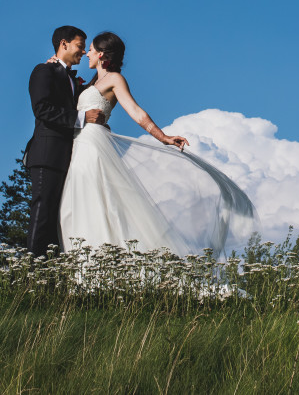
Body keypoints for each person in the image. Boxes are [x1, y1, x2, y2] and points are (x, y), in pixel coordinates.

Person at [59, 31, 255, 257]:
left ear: (101, 54)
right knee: (79, 201)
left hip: (92, 146)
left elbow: (135, 110)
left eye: (91, 49)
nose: (87, 54)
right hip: (79, 143)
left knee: (93, 197)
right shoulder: (93, 82)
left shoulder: (114, 79)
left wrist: (162, 136)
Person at [25, 25, 105, 256]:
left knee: (59, 217)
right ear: (64, 44)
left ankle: (50, 274)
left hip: (69, 157)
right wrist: (82, 117)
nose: (82, 52)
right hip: (47, 155)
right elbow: (42, 110)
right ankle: (33, 274)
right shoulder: (43, 71)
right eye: (80, 46)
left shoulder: (71, 79)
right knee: (42, 214)